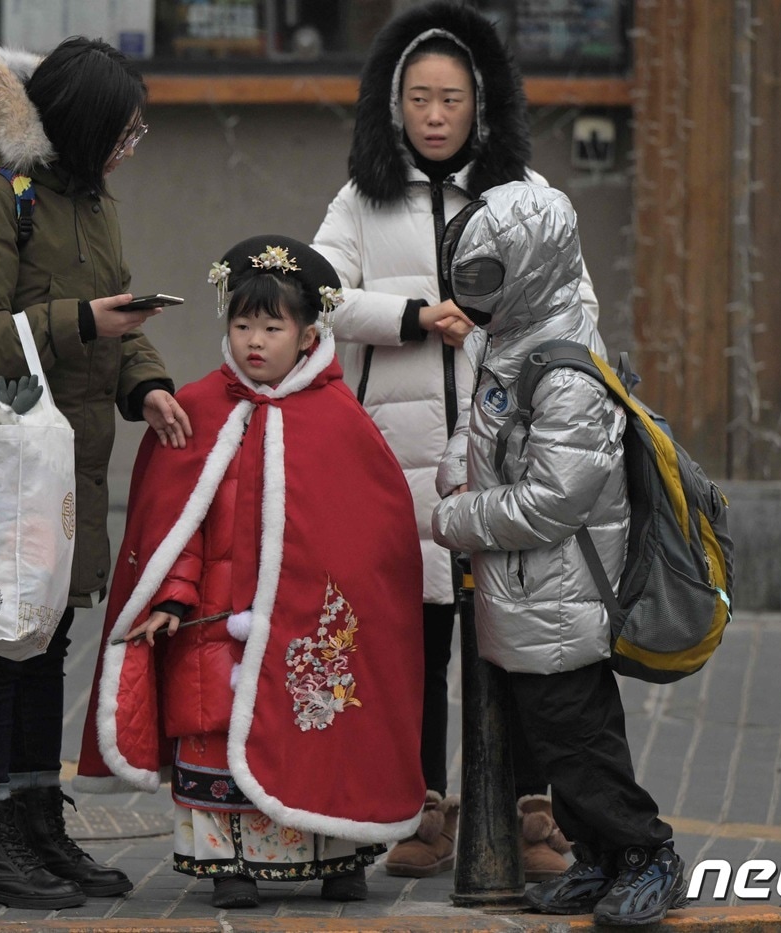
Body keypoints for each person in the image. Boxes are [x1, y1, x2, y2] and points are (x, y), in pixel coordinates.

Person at [309, 0, 600, 878]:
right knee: (415, 644)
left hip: (505, 462)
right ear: (392, 105)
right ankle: (421, 807)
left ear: (483, 104)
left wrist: (491, 322)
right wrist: (406, 316)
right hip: (394, 466)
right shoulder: (361, 198)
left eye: (452, 99)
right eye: (419, 99)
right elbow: (314, 296)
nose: (435, 116)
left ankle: (531, 809)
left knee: (518, 638)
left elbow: (579, 311)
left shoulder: (530, 198)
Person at [0, 40, 193, 910]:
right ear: (80, 125)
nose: (129, 148)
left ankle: (36, 824)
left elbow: (115, 309)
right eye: (123, 132)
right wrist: (80, 323)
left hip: (63, 463)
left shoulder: (86, 200)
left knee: (45, 641)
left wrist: (149, 381)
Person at [74, 236, 427, 909]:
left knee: (324, 732)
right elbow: (176, 522)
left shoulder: (341, 423)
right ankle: (225, 864)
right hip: (213, 623)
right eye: (242, 325)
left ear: (308, 333)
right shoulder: (199, 411)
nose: (255, 341)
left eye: (272, 327)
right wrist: (172, 597)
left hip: (309, 632)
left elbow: (372, 546)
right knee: (212, 730)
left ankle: (339, 852)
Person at [431, 181, 686, 926]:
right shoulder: (514, 334)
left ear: (530, 268)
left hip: (560, 592)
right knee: (551, 739)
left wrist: (460, 515)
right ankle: (601, 860)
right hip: (524, 590)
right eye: (465, 277)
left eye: (484, 280)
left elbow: (554, 499)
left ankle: (649, 855)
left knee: (581, 742)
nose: (471, 296)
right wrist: (459, 465)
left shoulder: (567, 370)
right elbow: (488, 429)